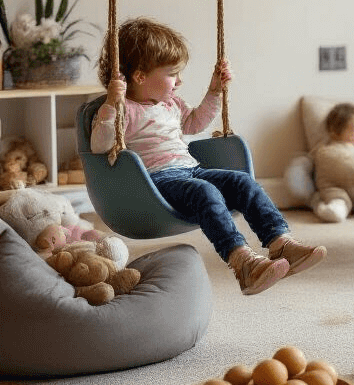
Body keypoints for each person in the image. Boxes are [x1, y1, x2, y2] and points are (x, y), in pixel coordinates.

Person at [92, 17, 325, 296]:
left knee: (241, 181)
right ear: (140, 77)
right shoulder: (122, 109)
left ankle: (280, 242)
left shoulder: (171, 103)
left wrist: (214, 91)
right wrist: (110, 105)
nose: (179, 81)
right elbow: (100, 146)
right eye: (172, 74)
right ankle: (243, 262)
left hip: (191, 170)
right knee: (204, 191)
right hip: (156, 183)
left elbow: (194, 123)